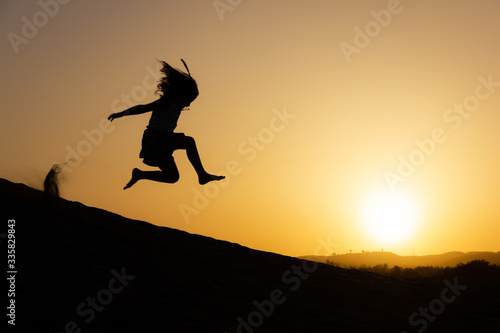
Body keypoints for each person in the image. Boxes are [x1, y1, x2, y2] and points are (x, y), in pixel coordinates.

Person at [108, 59, 225, 190]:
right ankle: (202, 175)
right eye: (188, 100)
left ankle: (140, 174)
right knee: (189, 142)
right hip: (154, 141)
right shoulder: (165, 103)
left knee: (173, 177)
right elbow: (142, 108)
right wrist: (121, 114)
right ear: (179, 94)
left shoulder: (177, 106)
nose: (188, 104)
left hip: (165, 140)